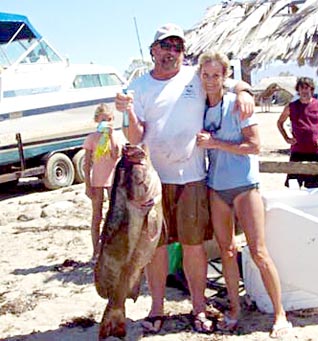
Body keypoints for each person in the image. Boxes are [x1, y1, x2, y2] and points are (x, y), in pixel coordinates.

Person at [115, 23, 254, 334]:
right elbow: (134, 135)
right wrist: (128, 112)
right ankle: (156, 309)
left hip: (192, 177)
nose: (171, 52)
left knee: (194, 246)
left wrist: (244, 92)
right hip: (150, 182)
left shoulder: (195, 75)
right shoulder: (137, 88)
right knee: (156, 246)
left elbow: (225, 79)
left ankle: (199, 308)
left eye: (177, 46)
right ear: (153, 51)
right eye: (165, 46)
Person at [196, 51, 292, 338]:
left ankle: (280, 314)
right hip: (216, 187)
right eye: (206, 75)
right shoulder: (199, 107)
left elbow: (254, 146)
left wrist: (215, 142)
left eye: (216, 75)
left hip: (244, 185)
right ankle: (235, 309)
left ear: (225, 77)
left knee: (259, 251)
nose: (211, 80)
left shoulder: (238, 104)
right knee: (226, 252)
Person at [277, 77, 318, 189]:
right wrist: (286, 138)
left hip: (314, 152)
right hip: (297, 151)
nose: (304, 91)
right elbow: (280, 123)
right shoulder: (291, 106)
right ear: (298, 90)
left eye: (307, 88)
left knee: (313, 187)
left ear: (311, 89)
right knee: (293, 185)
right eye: (301, 88)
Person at [83, 103, 121, 260]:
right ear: (97, 120)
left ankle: (113, 248)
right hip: (97, 180)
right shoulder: (91, 138)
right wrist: (87, 184)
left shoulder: (115, 136)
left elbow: (116, 155)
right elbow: (87, 164)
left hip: (113, 179)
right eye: (104, 119)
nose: (107, 122)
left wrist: (111, 136)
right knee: (96, 215)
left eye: (110, 119)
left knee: (114, 215)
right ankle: (95, 250)